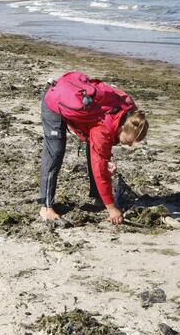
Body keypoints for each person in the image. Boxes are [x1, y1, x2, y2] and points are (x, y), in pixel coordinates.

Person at [39, 71, 148, 225]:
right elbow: (99, 169)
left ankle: (98, 197)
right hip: (54, 100)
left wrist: (107, 160)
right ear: (122, 128)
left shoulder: (131, 112)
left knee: (98, 153)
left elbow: (101, 151)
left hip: (76, 98)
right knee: (55, 151)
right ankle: (46, 207)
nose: (130, 145)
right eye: (129, 141)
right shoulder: (102, 130)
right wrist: (112, 208)